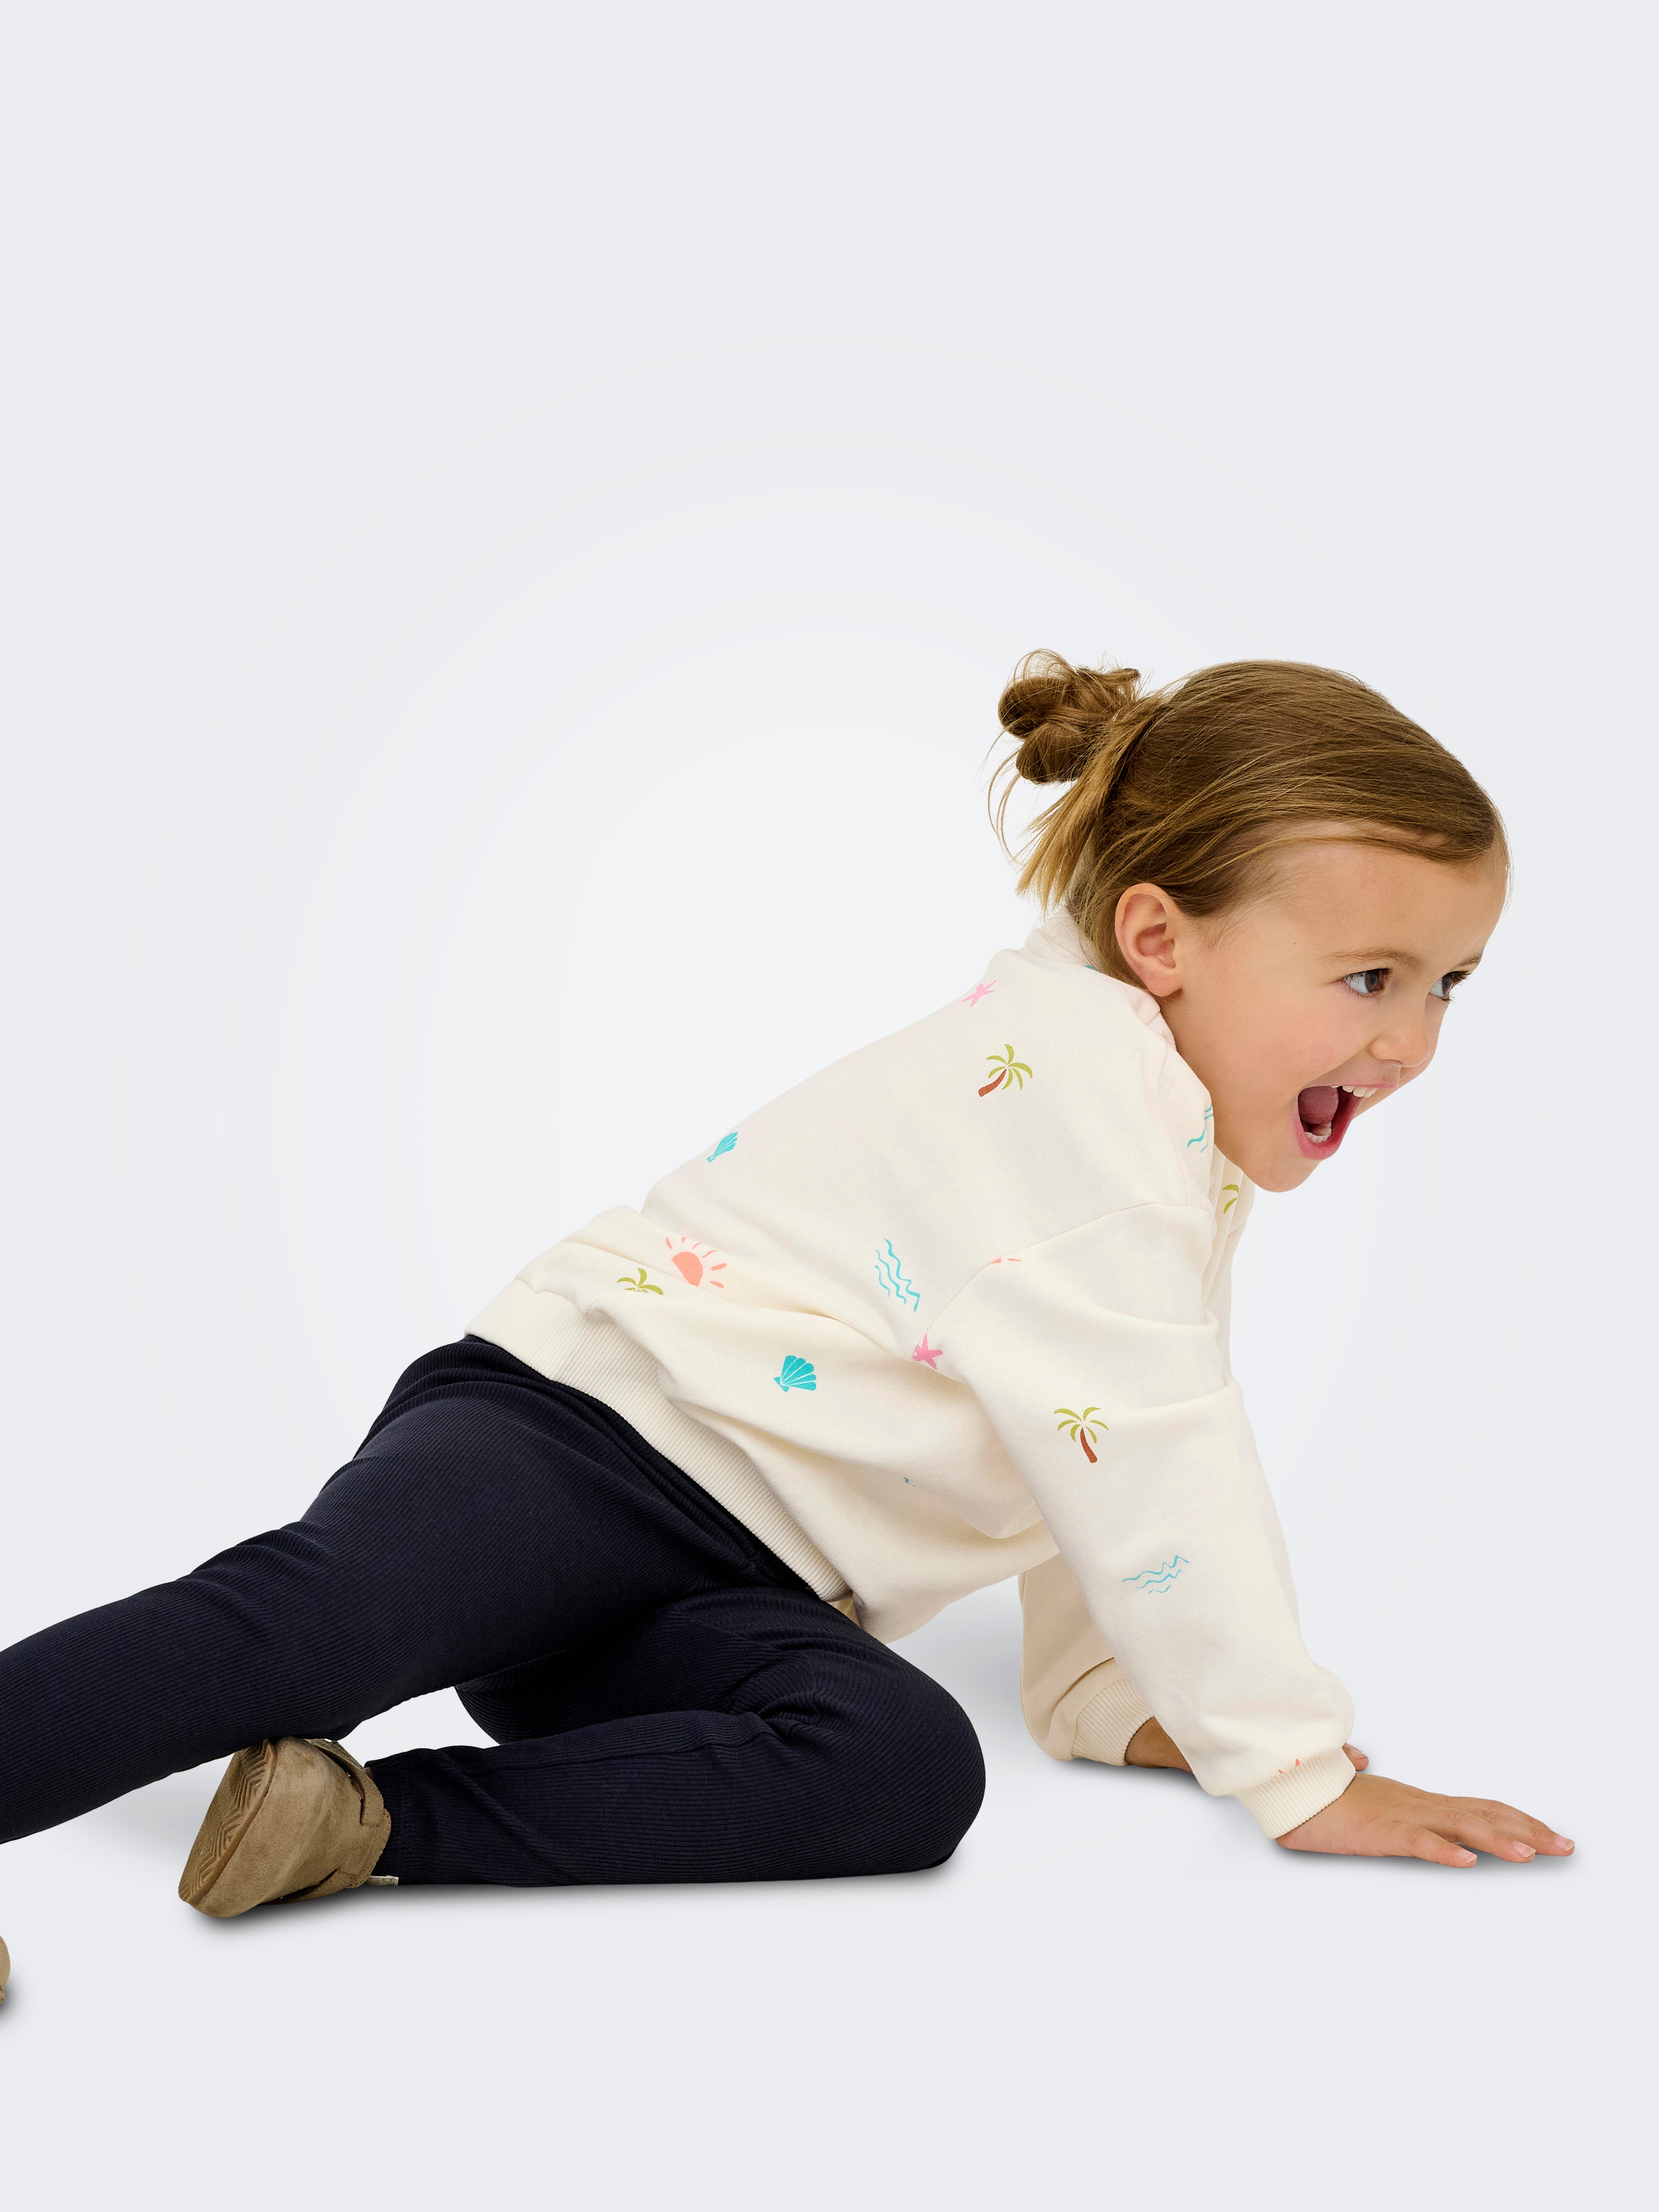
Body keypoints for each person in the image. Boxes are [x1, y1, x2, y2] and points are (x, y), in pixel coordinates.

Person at [0, 652, 1571, 1974]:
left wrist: (1111, 1697)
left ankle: (354, 1824)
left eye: (1448, 983)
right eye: (1367, 978)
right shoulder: (1088, 1104)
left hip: (723, 1583)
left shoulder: (1159, 1137)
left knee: (902, 1769)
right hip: (576, 1445)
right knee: (311, 1628)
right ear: (1159, 941)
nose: (1413, 1043)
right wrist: (1290, 1768)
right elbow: (1158, 1449)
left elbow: (1086, 1436)